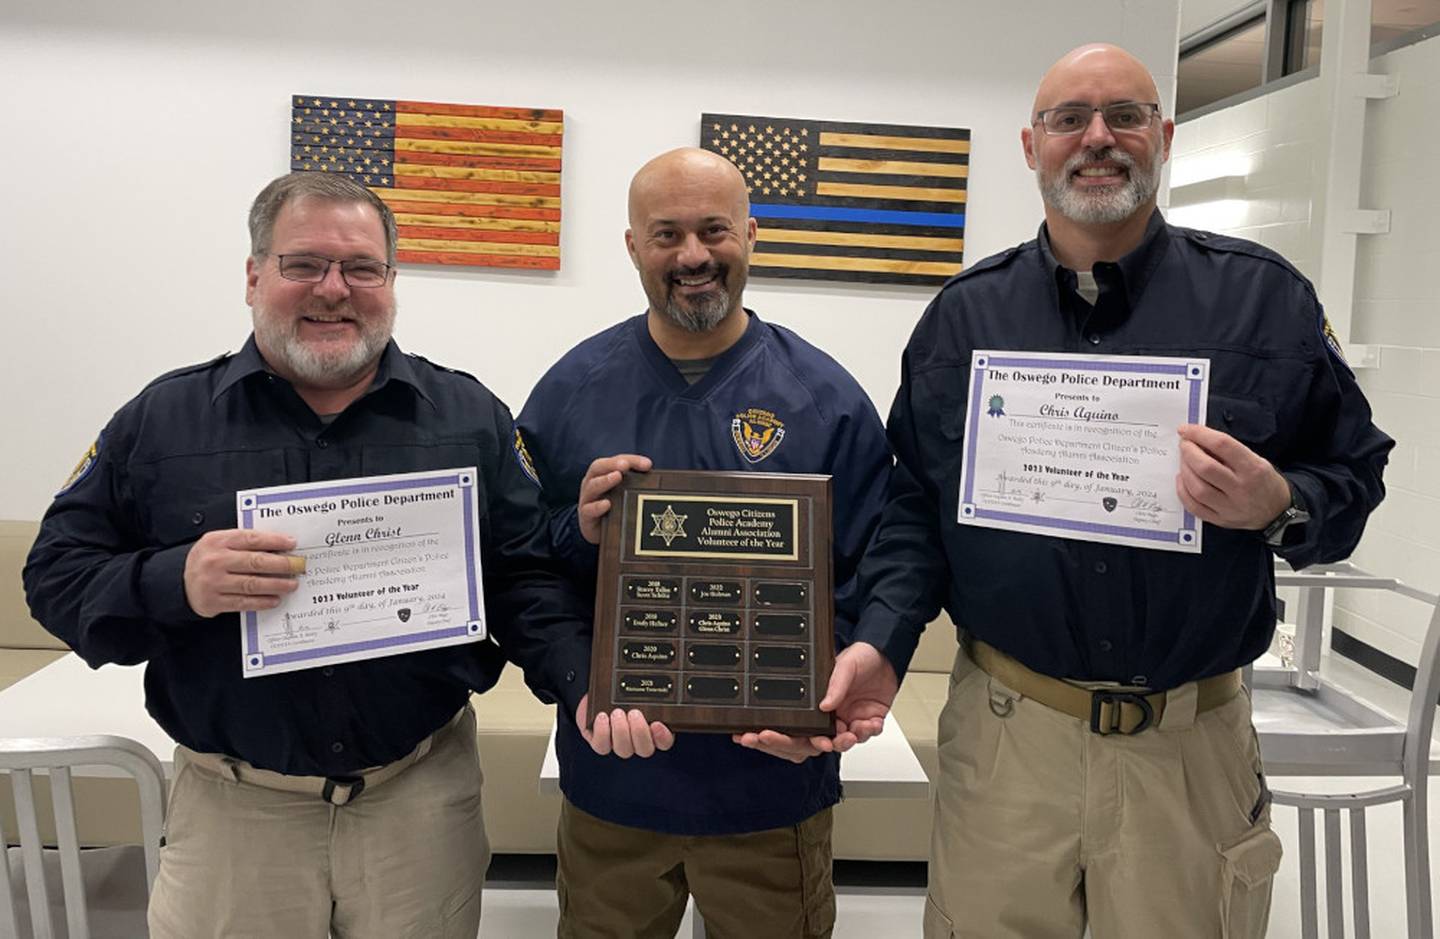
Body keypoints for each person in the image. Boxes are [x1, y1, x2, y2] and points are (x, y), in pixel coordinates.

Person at [835, 44, 1394, 938]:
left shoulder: (1265, 302)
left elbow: (1354, 475)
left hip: (1189, 746)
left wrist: (1279, 503)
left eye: (1124, 116)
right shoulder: (964, 318)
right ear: (1033, 146)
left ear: (1163, 137)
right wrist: (883, 641)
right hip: (1010, 736)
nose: (1097, 138)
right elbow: (916, 509)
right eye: (1070, 119)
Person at [23, 171, 587, 938]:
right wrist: (176, 580)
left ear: (391, 281)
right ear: (254, 275)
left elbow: (526, 575)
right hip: (236, 813)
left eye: (361, 267)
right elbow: (55, 575)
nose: (334, 288)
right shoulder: (162, 421)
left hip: (418, 802)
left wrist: (583, 682)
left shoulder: (468, 417)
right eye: (304, 264)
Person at [513, 147, 893, 938]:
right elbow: (524, 571)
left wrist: (826, 699)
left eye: (714, 229)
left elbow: (879, 570)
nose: (693, 255)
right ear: (633, 246)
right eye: (667, 234)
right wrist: (579, 661)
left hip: (771, 791)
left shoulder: (827, 400)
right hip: (614, 783)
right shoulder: (569, 392)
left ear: (750, 234)